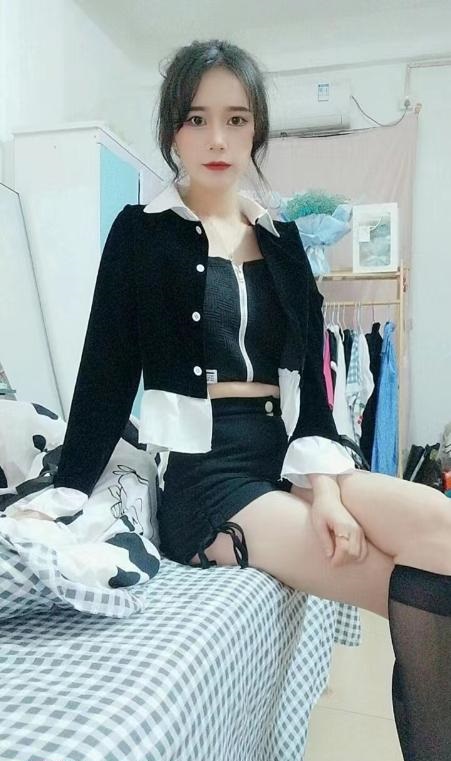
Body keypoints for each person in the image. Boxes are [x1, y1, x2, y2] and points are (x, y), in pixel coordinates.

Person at [16, 39, 451, 760]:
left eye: (236, 119)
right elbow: (103, 380)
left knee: (442, 532)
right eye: (197, 119)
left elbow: (313, 385)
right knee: (409, 587)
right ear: (172, 130)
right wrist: (63, 495)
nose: (217, 139)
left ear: (256, 130)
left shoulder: (282, 240)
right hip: (206, 479)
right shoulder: (140, 235)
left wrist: (327, 491)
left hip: (282, 456)